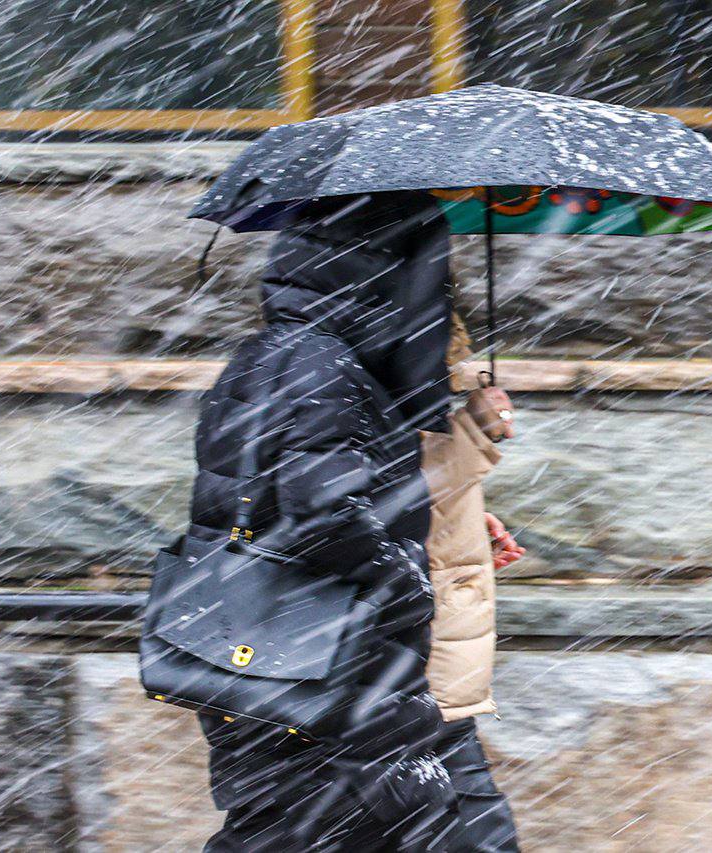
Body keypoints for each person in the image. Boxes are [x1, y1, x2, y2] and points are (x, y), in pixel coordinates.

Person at [190, 192, 466, 851]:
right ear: (386, 278)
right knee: (354, 821)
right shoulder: (326, 368)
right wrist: (404, 581)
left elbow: (259, 497)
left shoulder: (265, 357)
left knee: (291, 822)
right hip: (330, 657)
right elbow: (321, 512)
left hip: (264, 648)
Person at [419, 315, 524, 852]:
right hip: (405, 672)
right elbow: (386, 488)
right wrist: (477, 430)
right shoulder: (343, 382)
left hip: (421, 675)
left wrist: (460, 527)